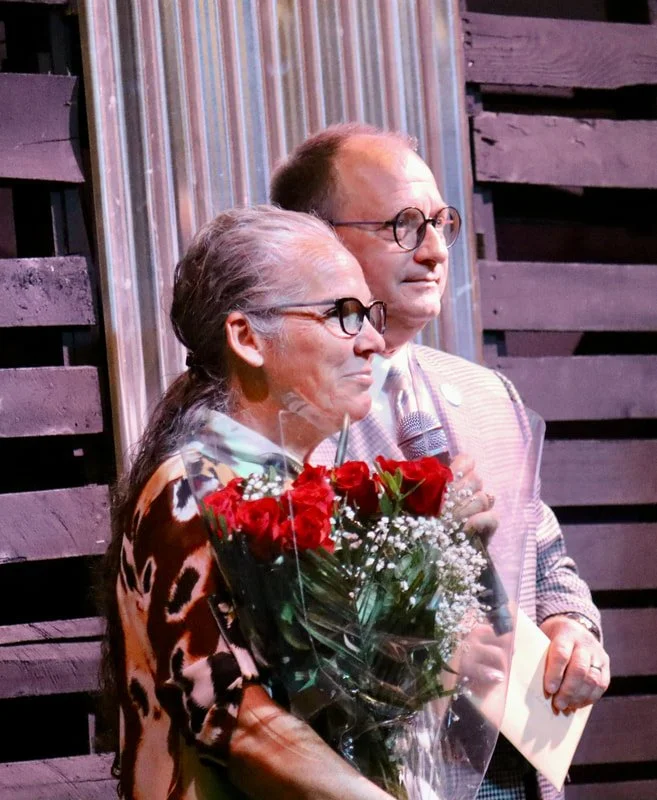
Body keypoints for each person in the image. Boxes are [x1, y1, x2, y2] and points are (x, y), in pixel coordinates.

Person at [100, 204, 489, 800]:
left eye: (370, 316)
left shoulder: (306, 485)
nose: (375, 342)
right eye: (344, 315)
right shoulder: (191, 487)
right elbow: (236, 717)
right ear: (248, 339)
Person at [270, 123, 610, 800]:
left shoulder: (488, 394)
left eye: (440, 223)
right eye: (402, 225)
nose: (431, 251)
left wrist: (570, 624)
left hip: (522, 770)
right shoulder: (280, 420)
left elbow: (541, 555)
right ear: (317, 242)